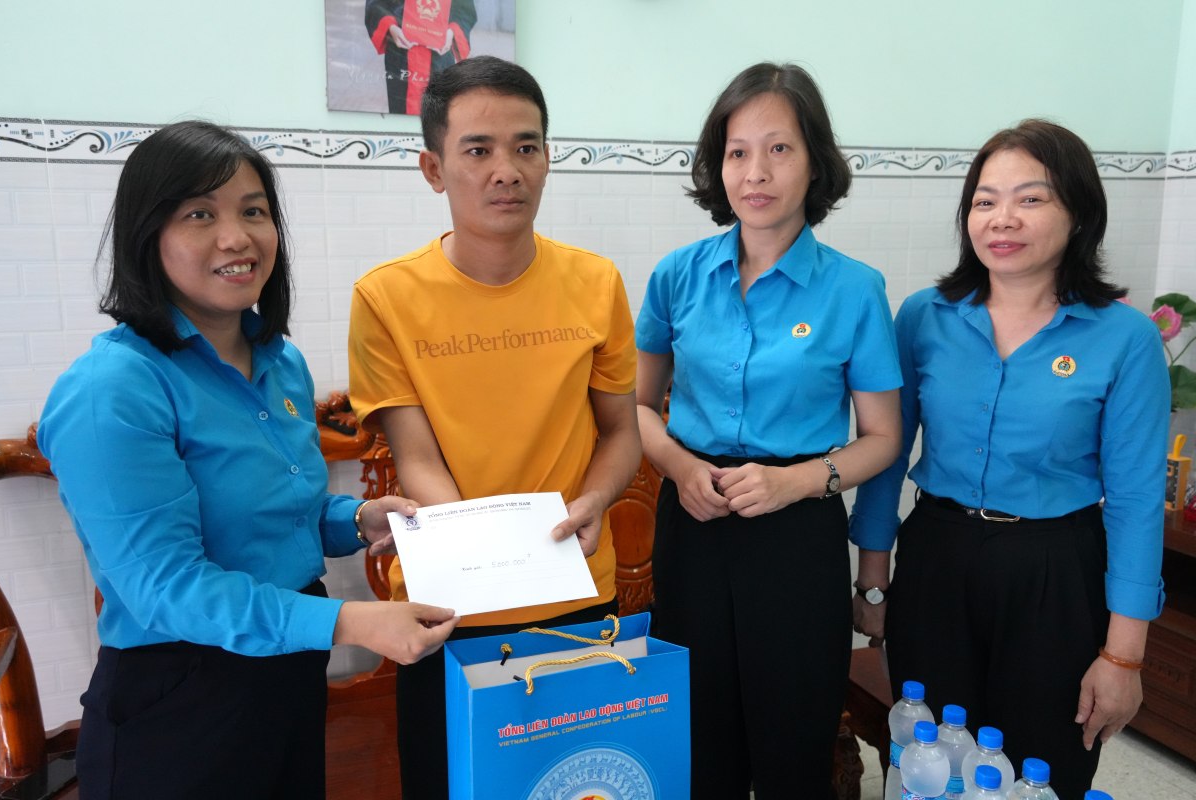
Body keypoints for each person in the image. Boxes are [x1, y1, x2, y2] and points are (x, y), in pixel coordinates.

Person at [37, 120, 458, 800]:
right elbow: (166, 586)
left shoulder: (279, 361)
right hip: (179, 700)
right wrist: (352, 621)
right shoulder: (112, 389)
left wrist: (357, 518)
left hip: (286, 676)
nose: (237, 237)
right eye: (200, 214)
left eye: (254, 211)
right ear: (150, 233)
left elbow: (266, 515)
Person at [347, 55, 641, 797]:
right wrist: (481, 558)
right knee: (456, 782)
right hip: (446, 603)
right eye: (478, 149)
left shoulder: (596, 283)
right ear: (433, 169)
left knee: (577, 783)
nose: (506, 169)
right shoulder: (386, 297)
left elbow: (620, 432)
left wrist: (598, 500)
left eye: (527, 146)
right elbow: (414, 455)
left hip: (575, 593)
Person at [850, 119, 1169, 800]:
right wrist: (874, 582)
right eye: (985, 200)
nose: (1003, 218)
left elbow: (1139, 501)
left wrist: (1123, 655)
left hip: (1056, 572)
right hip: (938, 557)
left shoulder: (1126, 340)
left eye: (1031, 198)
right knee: (928, 755)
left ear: (1079, 212)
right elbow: (885, 450)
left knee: (1039, 762)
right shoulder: (923, 317)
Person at [634, 62, 902, 799]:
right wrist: (679, 468)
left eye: (779, 149)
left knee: (794, 740)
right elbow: (637, 406)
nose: (756, 172)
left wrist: (794, 482)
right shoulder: (677, 277)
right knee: (698, 737)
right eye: (737, 151)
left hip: (798, 530)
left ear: (815, 159)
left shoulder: (855, 289)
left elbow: (882, 436)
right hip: (693, 521)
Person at [365, 0, 477, 115]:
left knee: (437, 118)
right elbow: (376, 4)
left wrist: (452, 31)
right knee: (401, 117)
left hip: (440, 56)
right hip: (401, 54)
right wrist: (390, 26)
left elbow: (464, 9)